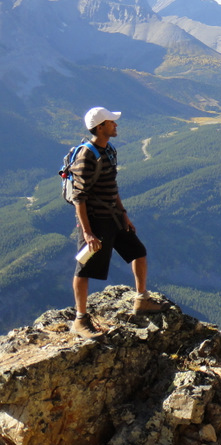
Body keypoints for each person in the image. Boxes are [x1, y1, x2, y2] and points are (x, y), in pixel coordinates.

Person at [71, 106, 161, 338]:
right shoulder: (86, 156)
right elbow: (78, 197)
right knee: (84, 268)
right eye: (111, 122)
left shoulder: (109, 149)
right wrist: (88, 233)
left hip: (113, 216)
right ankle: (80, 320)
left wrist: (124, 214)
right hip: (95, 221)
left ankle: (141, 299)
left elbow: (112, 185)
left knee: (138, 252)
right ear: (100, 127)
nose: (116, 125)